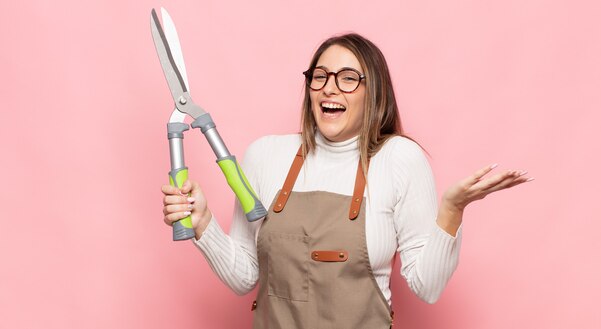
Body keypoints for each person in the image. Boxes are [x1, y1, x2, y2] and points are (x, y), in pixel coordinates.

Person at [161, 33, 531, 328]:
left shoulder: (399, 159)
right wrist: (204, 225)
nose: (329, 88)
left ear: (375, 92)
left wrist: (452, 209)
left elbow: (427, 288)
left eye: (348, 79)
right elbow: (245, 278)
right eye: (319, 76)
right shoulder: (265, 156)